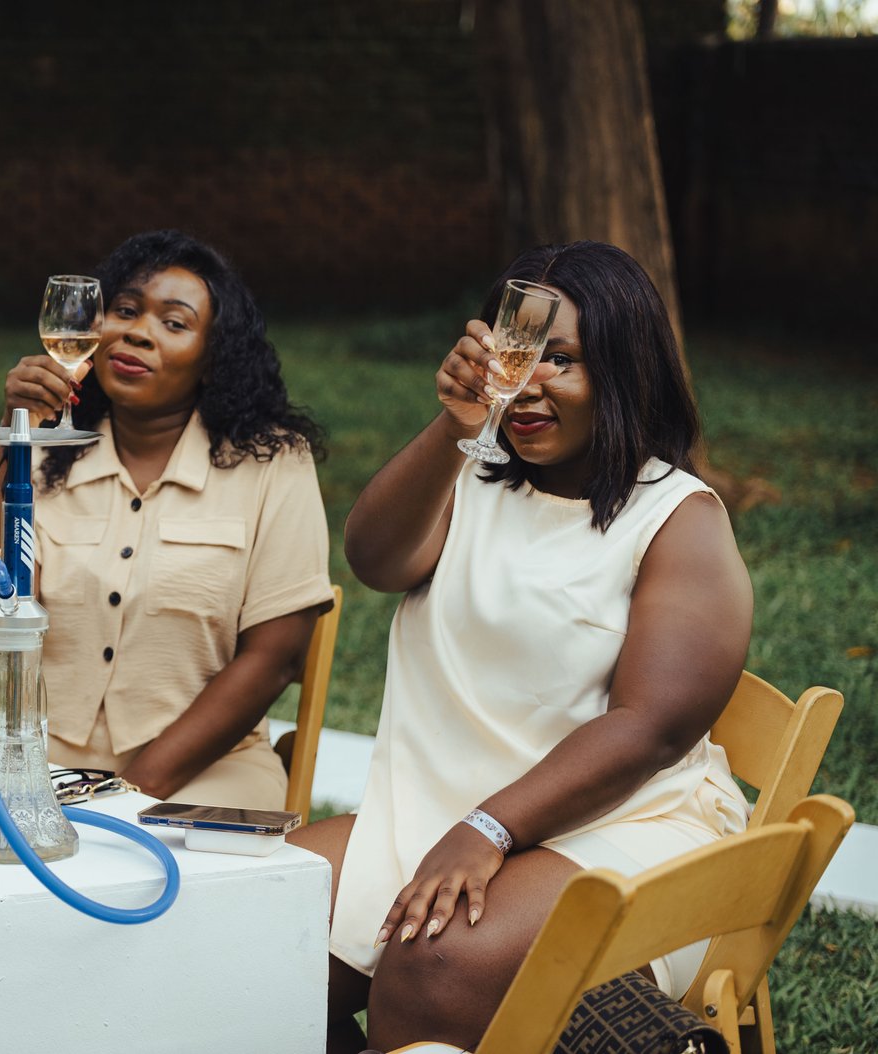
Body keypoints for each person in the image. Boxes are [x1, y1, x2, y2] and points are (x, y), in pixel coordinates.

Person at [289, 241, 752, 1051]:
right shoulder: (470, 475)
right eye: (515, 353)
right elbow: (376, 561)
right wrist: (455, 425)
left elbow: (650, 727)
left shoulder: (678, 520)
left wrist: (489, 830)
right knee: (254, 922)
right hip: (445, 807)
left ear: (626, 369)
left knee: (432, 961)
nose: (527, 382)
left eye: (560, 360)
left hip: (624, 823)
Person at [0, 230, 334, 809]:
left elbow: (274, 658)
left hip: (207, 768)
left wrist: (127, 793)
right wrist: (16, 432)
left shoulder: (273, 464)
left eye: (174, 323)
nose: (136, 332)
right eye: (125, 311)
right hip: (31, 753)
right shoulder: (49, 449)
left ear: (214, 358)